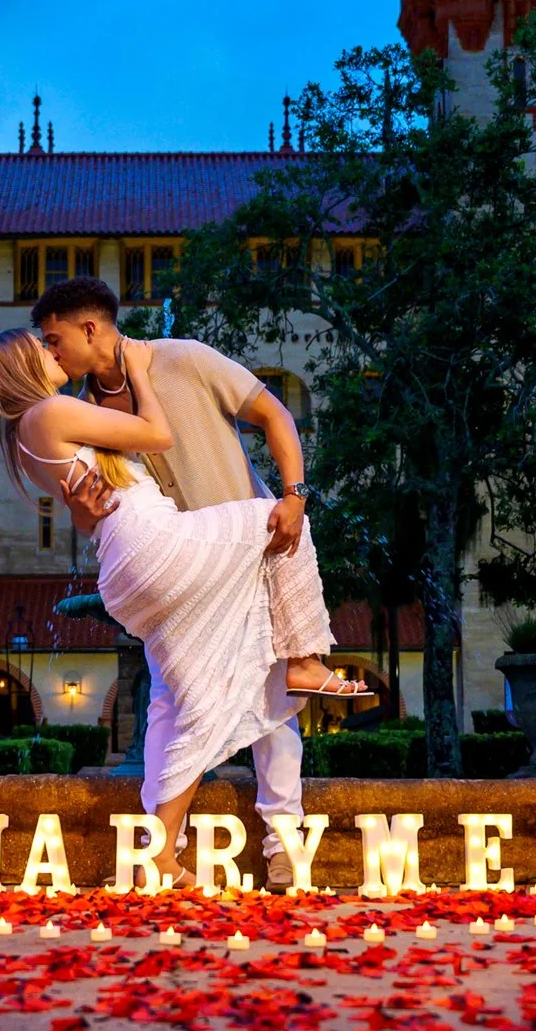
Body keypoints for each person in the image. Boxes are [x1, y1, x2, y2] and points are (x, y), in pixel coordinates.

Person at [29, 277, 372, 886]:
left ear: (90, 328)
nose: (49, 352)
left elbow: (273, 413)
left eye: (54, 339)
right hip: (177, 580)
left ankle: (283, 852)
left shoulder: (183, 359)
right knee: (169, 702)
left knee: (273, 708)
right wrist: (84, 507)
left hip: (250, 553)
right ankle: (160, 853)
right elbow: (92, 519)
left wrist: (294, 494)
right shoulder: (78, 413)